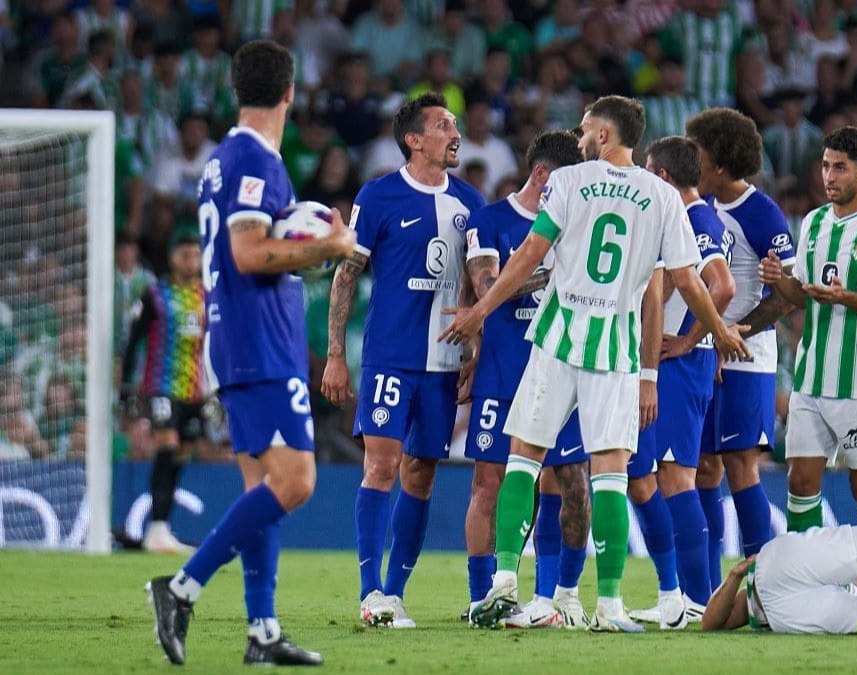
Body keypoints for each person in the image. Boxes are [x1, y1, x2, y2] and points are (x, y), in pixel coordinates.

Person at [441, 95, 751, 632]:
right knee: (610, 474)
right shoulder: (662, 196)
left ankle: (505, 585)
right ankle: (608, 605)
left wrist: (481, 311)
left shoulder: (570, 182)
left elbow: (531, 254)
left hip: (559, 337)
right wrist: (719, 331)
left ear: (604, 136)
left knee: (524, 458)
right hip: (615, 347)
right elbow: (685, 280)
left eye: (586, 130)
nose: (579, 138)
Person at [148, 39, 357, 667]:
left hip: (243, 335)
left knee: (261, 485)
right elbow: (248, 254)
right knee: (296, 482)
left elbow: (258, 251)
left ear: (239, 91)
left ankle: (262, 630)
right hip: (256, 339)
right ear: (290, 93)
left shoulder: (226, 159)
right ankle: (181, 587)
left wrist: (302, 257)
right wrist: (329, 249)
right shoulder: (253, 161)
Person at [320, 92, 485, 629]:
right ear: (414, 140)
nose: (454, 133)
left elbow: (478, 283)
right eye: (442, 125)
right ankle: (370, 595)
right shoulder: (380, 195)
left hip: (443, 363)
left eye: (455, 124)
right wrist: (337, 356)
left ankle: (395, 593)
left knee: (421, 475)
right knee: (381, 466)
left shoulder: (470, 203)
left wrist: (474, 351)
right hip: (391, 357)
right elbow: (347, 275)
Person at [459, 130, 591, 629]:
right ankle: (483, 598)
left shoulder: (578, 226)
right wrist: (551, 271)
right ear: (543, 176)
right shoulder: (490, 221)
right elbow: (490, 288)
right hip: (503, 370)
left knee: (569, 484)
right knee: (489, 483)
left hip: (563, 365)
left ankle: (554, 598)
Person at [758, 127, 857, 541]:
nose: (830, 176)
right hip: (812, 379)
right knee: (800, 482)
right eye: (826, 166)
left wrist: (846, 297)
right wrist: (779, 280)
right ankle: (806, 580)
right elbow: (802, 295)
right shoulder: (813, 223)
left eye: (840, 168)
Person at [627, 136, 736, 628]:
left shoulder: (693, 218)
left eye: (649, 171)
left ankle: (693, 598)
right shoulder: (694, 215)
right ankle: (688, 595)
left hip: (675, 363)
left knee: (672, 478)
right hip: (674, 362)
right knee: (650, 476)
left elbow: (723, 283)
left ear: (663, 177)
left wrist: (692, 340)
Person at [685, 108, 794, 585]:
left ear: (723, 163)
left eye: (701, 155)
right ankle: (708, 589)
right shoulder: (696, 205)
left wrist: (735, 336)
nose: (694, 163)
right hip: (704, 351)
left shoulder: (761, 212)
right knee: (703, 468)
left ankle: (763, 585)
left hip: (746, 358)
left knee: (739, 466)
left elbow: (788, 295)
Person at [700, 526, 857, 637]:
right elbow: (711, 623)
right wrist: (735, 577)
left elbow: (711, 623)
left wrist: (735, 576)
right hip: (783, 609)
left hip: (779, 611)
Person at [120, 232, 206, 554]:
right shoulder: (155, 295)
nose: (191, 261)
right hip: (161, 386)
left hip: (195, 391)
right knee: (167, 447)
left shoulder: (206, 297)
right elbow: (132, 342)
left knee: (182, 454)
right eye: (185, 254)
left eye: (196, 255)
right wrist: (127, 388)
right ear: (172, 258)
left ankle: (161, 529)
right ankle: (156, 528)